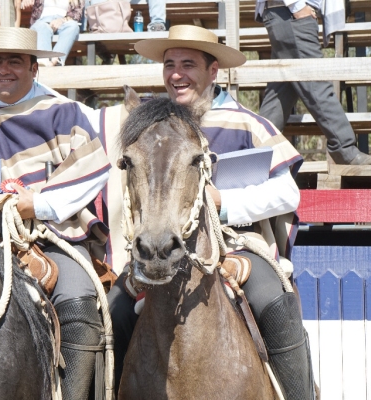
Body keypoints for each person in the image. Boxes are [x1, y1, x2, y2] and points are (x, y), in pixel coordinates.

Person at [106, 25, 314, 400]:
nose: (176, 74)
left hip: (237, 247)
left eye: (188, 64)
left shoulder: (247, 123)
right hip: (164, 243)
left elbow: (288, 193)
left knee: (275, 303)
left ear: (213, 71)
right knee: (114, 310)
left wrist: (223, 203)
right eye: (170, 64)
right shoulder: (152, 126)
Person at [0, 27, 112, 400]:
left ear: (33, 67)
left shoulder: (65, 113)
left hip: (53, 237)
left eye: (14, 61)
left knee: (77, 304)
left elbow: (92, 172)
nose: (4, 69)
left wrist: (36, 204)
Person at [256, 0, 371, 165]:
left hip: (284, 13)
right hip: (291, 14)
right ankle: (344, 149)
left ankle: (257, 155)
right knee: (316, 83)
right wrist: (297, 6)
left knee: (281, 92)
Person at [27, 0, 82, 66]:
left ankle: (56, 60)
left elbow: (77, 15)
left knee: (73, 26)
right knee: (42, 27)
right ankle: (45, 61)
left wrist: (61, 20)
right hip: (43, 21)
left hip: (64, 21)